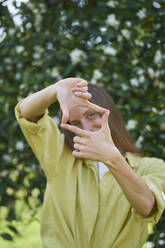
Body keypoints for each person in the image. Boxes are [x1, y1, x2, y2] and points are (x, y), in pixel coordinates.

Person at [15, 78, 165, 248]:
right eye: (75, 123)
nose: (85, 129)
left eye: (91, 115)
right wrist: (54, 90)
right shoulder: (60, 155)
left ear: (109, 114)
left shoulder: (152, 166)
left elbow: (146, 206)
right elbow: (26, 114)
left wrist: (112, 158)